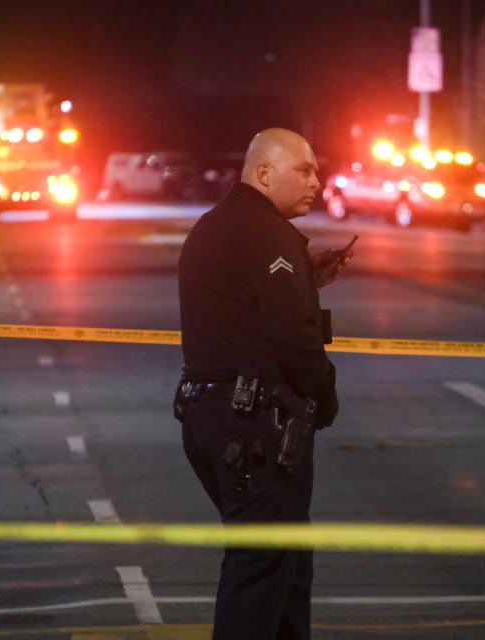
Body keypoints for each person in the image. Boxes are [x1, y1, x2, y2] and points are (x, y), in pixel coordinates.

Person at [175, 128, 352, 640]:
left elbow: (239, 301)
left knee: (287, 564)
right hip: (250, 428)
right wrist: (325, 393)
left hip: (211, 419)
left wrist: (304, 276)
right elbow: (293, 336)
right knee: (260, 568)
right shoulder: (266, 232)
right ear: (264, 173)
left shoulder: (214, 226)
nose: (317, 181)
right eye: (304, 170)